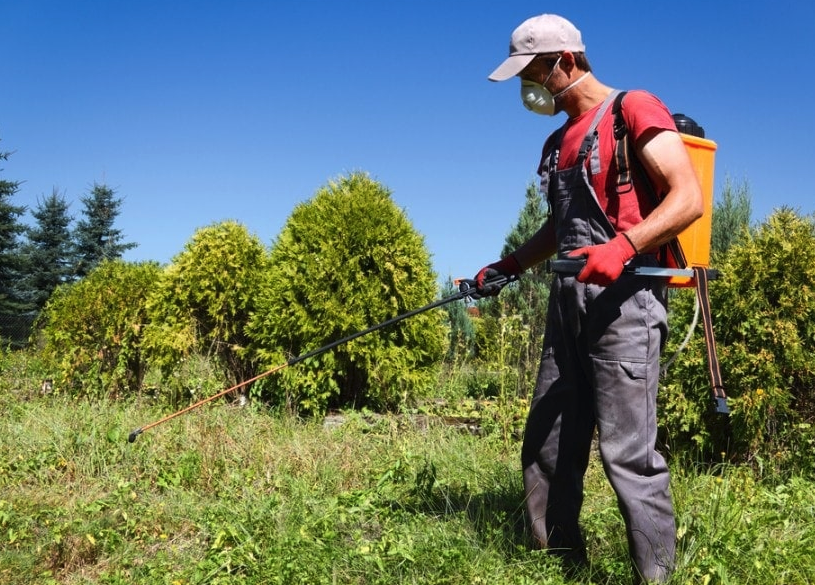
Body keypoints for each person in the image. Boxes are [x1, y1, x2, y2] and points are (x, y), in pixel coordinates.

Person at [474, 13, 704, 584]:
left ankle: (656, 576)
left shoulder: (632, 110)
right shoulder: (558, 142)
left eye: (533, 73)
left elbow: (687, 198)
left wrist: (623, 247)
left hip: (626, 302)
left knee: (627, 453)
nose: (530, 88)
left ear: (566, 63)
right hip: (566, 304)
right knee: (549, 440)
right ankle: (558, 564)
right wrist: (509, 265)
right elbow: (561, 227)